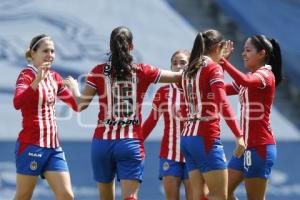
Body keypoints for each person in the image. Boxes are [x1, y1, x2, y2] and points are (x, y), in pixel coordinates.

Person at [64, 26, 182, 200]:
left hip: (102, 143)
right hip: (130, 142)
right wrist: (204, 63)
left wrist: (74, 88)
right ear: (131, 46)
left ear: (110, 47)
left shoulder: (98, 71)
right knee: (130, 197)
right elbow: (179, 76)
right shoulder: (143, 70)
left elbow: (80, 105)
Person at [180, 29, 245, 200]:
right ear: (217, 47)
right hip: (206, 136)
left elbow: (209, 89)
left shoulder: (189, 69)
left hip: (188, 138)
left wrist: (223, 62)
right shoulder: (212, 68)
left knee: (200, 196)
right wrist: (239, 135)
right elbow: (221, 101)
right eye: (222, 50)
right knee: (219, 196)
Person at [13, 34, 77, 200]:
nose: (50, 54)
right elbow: (17, 102)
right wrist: (37, 81)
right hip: (31, 146)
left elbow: (77, 106)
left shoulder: (55, 77)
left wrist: (76, 90)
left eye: (53, 51)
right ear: (33, 53)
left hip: (54, 148)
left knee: (66, 195)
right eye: (45, 51)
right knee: (23, 196)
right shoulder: (26, 74)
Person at [220, 35, 282, 200]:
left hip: (260, 148)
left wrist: (224, 63)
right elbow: (221, 89)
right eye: (243, 50)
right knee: (219, 194)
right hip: (243, 149)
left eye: (248, 50)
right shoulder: (251, 76)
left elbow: (245, 81)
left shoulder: (265, 75)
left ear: (261, 54)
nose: (243, 54)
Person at [142, 50, 203, 200]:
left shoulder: (200, 90)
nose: (178, 66)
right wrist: (136, 142)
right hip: (169, 154)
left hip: (194, 155)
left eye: (183, 62)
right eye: (174, 63)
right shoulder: (163, 92)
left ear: (192, 65)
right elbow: (151, 121)